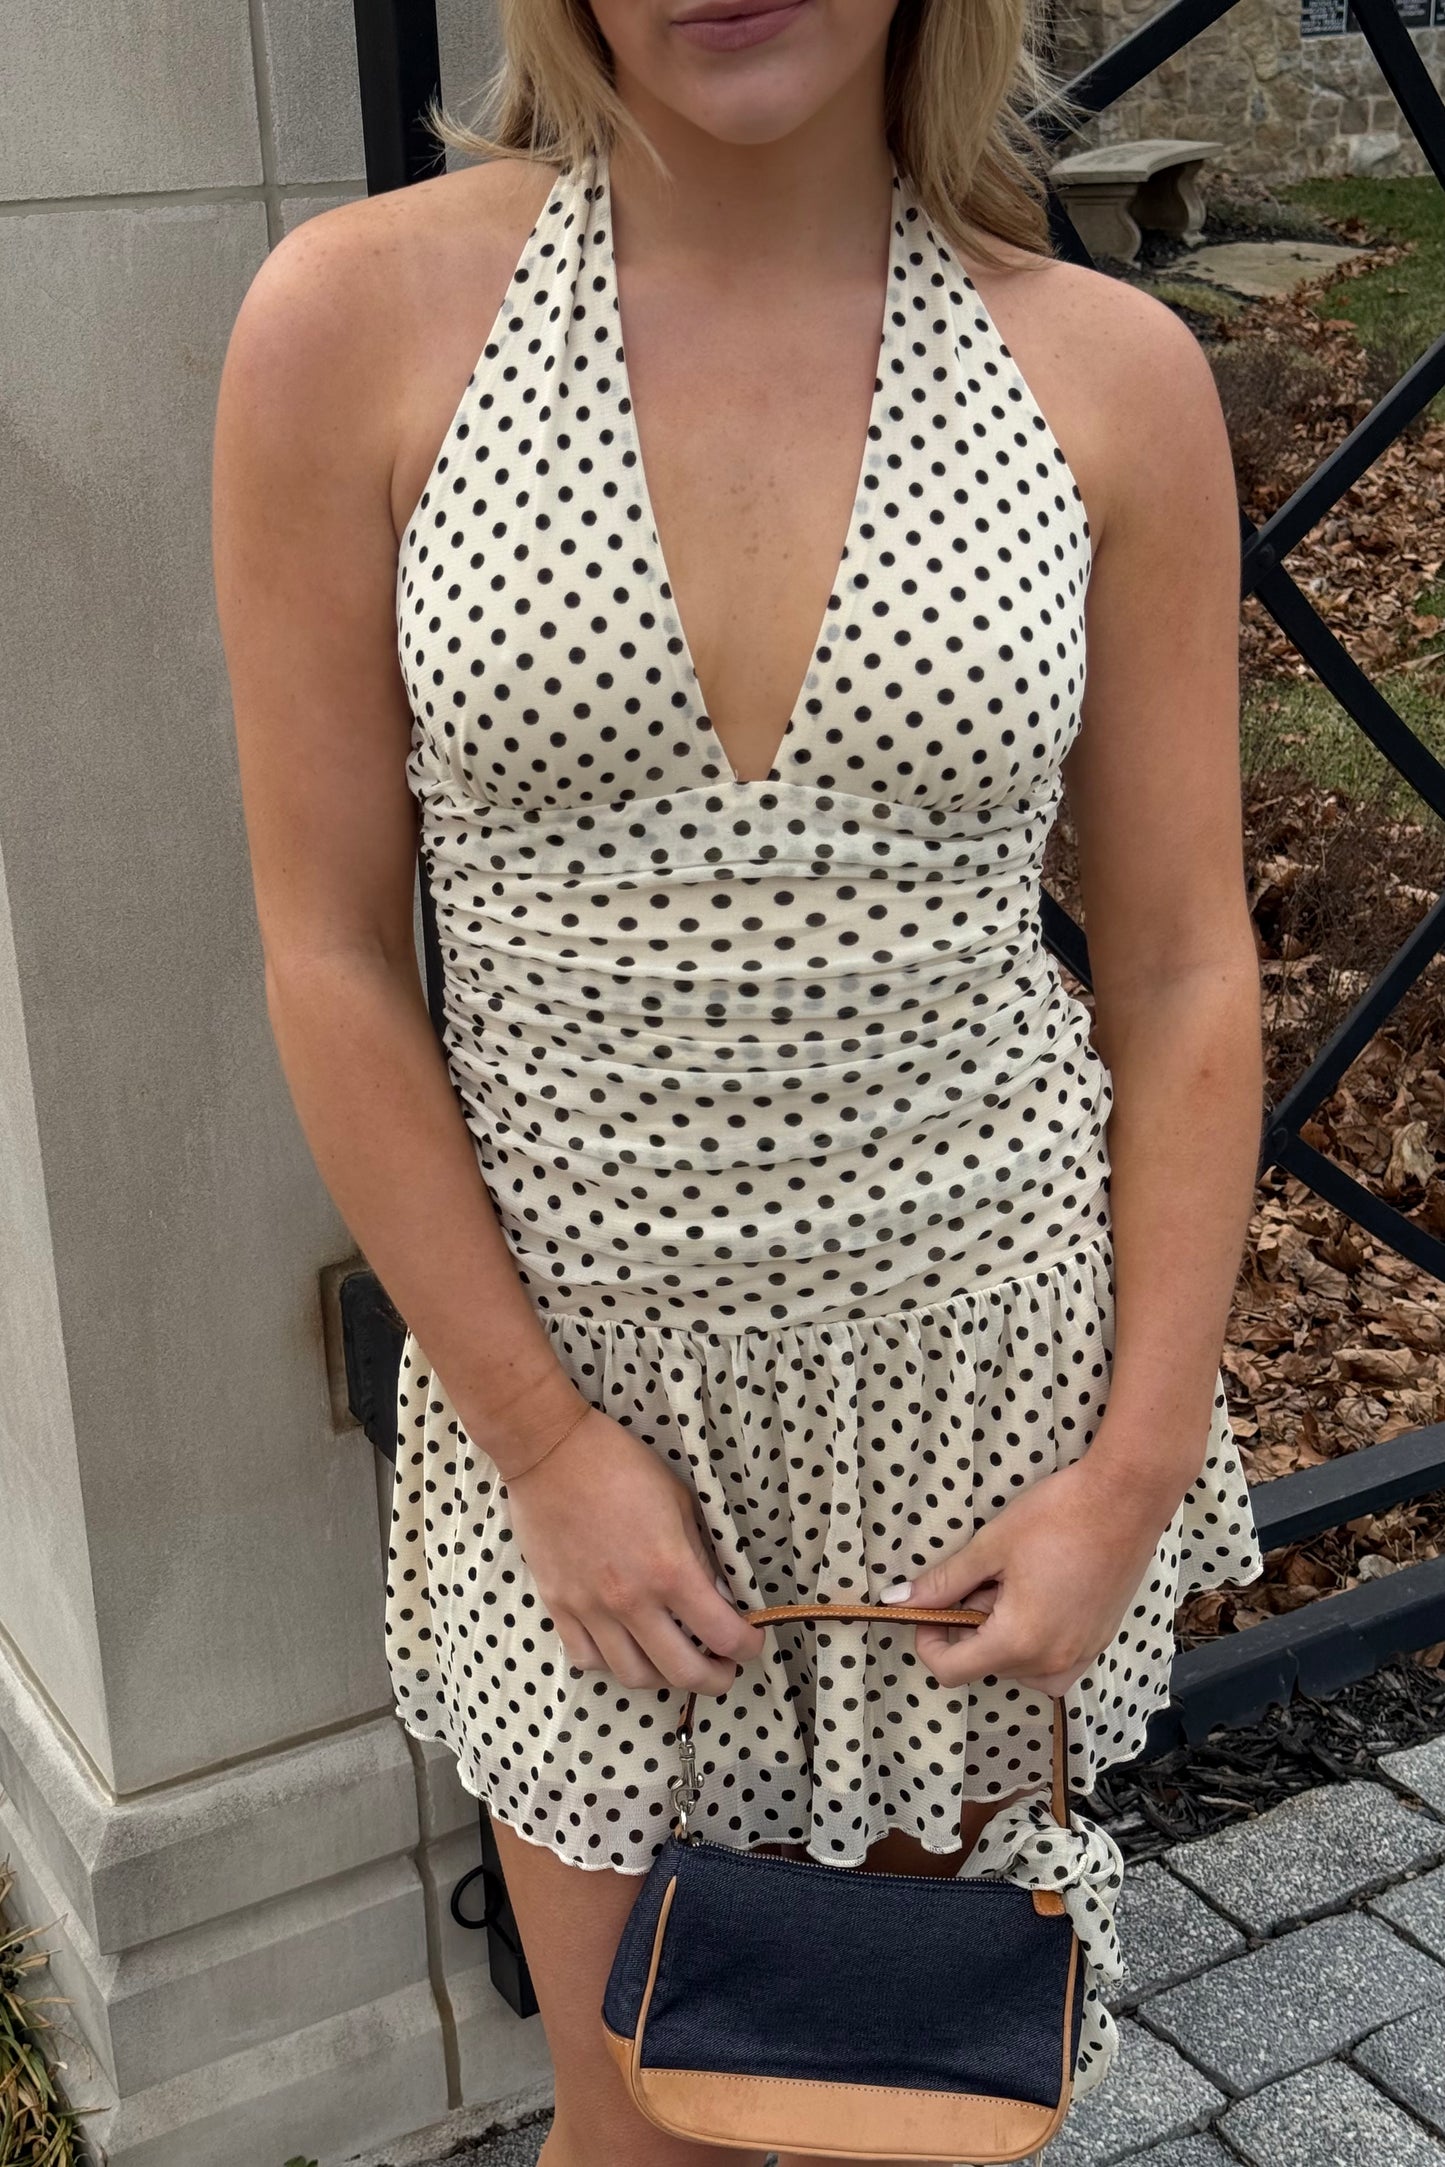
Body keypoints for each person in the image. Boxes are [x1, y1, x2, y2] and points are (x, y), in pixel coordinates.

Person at [212, 0, 1266, 2158]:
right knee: (646, 2119)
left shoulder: (1103, 374)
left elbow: (1177, 962)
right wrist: (538, 1442)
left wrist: (1134, 1466)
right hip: (584, 1425)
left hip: (975, 1417)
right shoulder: (364, 317)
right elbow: (327, 949)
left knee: (921, 2098)